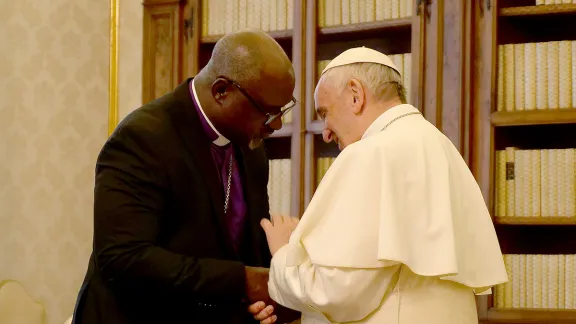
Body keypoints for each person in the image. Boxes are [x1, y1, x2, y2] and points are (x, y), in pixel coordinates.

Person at [249, 47, 509, 324]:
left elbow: (337, 292)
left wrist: (283, 254)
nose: (325, 132)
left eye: (325, 112)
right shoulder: (440, 145)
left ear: (355, 95)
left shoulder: (370, 153)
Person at [71, 29, 300, 324]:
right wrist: (242, 281)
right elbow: (122, 258)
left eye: (282, 110)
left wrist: (264, 297)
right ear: (221, 92)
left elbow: (247, 247)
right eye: (267, 112)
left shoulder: (251, 149)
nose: (277, 124)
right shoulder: (143, 137)